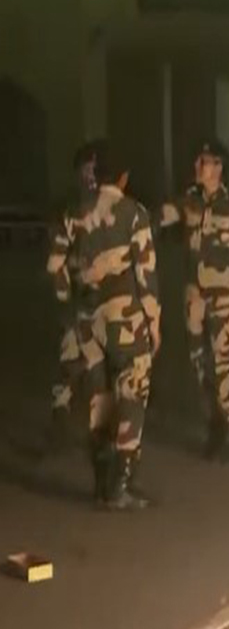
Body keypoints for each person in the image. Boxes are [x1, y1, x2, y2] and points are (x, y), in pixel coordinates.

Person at [46, 144, 161, 509]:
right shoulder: (133, 213)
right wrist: (154, 321)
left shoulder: (74, 212)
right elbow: (146, 274)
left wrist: (70, 302)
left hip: (87, 319)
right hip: (124, 317)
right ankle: (120, 486)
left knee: (99, 397)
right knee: (132, 394)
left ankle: (100, 481)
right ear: (123, 177)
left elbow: (54, 267)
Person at [160, 137, 229, 461]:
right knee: (198, 365)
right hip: (194, 298)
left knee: (222, 365)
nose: (197, 167)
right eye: (198, 161)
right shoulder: (188, 201)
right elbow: (157, 217)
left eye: (203, 162)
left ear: (218, 168)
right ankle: (215, 422)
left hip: (226, 298)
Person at [49, 140, 106, 443]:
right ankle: (60, 421)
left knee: (105, 370)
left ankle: (104, 437)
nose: (90, 176)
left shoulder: (115, 210)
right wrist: (64, 301)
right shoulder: (70, 213)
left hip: (109, 304)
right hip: (79, 301)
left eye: (94, 170)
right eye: (85, 170)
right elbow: (55, 264)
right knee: (69, 361)